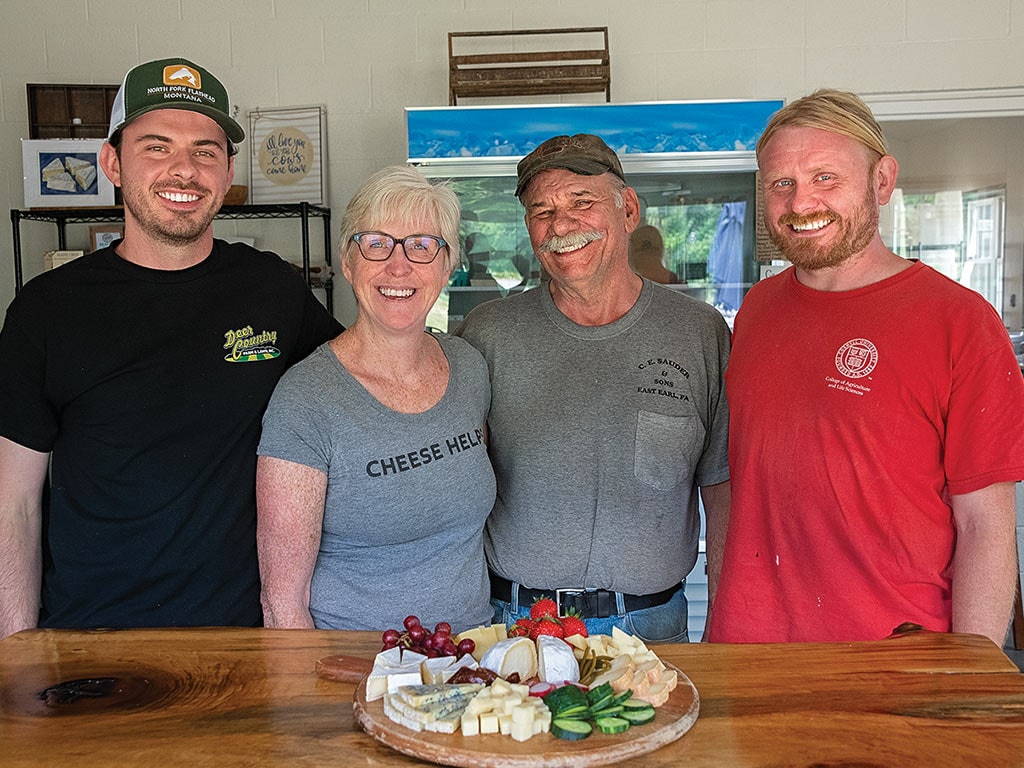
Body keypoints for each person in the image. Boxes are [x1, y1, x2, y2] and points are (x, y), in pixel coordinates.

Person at [0, 58, 342, 639]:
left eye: (206, 151)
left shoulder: (271, 288)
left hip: (247, 636)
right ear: (111, 161)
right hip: (94, 639)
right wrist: (15, 653)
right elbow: (15, 505)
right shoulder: (47, 309)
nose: (184, 170)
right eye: (156, 147)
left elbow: (362, 381)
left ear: (228, 168)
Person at [707, 89, 1024, 645]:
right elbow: (743, 483)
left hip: (892, 658)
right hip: (748, 650)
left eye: (826, 178)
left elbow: (985, 526)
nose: (801, 204)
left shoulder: (960, 322)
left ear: (882, 181)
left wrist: (971, 675)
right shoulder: (756, 311)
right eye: (782, 183)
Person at [456, 134, 731, 640]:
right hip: (515, 624)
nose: (561, 226)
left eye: (582, 202)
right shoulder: (487, 333)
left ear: (628, 210)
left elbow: (720, 485)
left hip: (653, 627)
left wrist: (724, 613)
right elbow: (455, 481)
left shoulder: (699, 332)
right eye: (542, 211)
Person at [256, 166, 495, 632]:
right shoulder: (306, 399)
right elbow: (282, 604)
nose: (399, 266)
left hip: (474, 662)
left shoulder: (469, 368)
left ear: (447, 267)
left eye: (422, 246)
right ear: (348, 262)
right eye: (376, 243)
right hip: (357, 672)